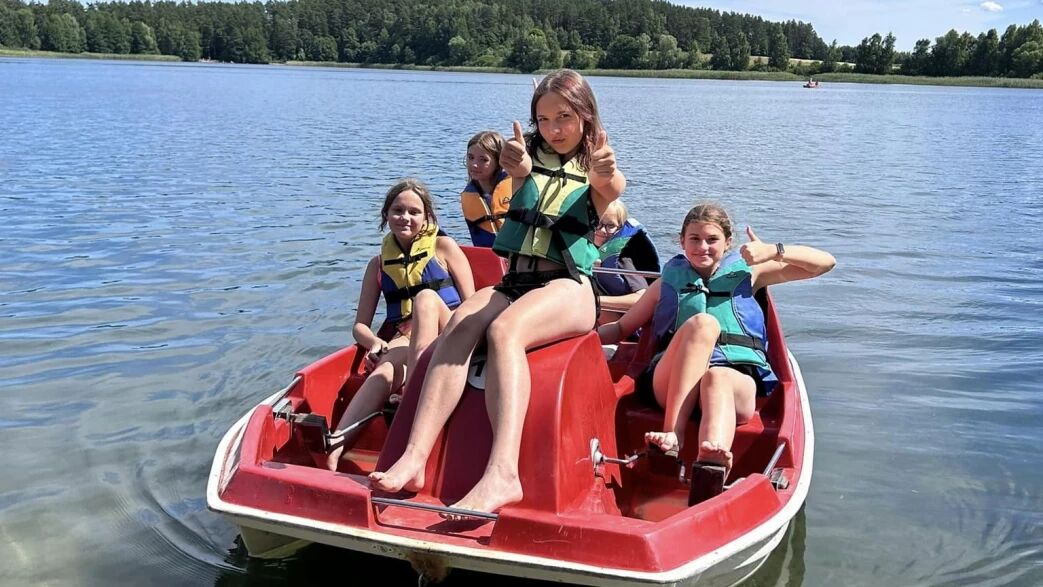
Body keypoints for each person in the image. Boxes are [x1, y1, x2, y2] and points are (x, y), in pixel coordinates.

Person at [370, 69, 626, 516]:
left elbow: (610, 186)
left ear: (586, 115)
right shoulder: (524, 159)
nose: (553, 129)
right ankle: (414, 456)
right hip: (516, 280)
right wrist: (520, 170)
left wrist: (606, 175)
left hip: (569, 285)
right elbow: (521, 176)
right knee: (459, 325)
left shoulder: (598, 166)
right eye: (543, 119)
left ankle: (504, 473)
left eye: (564, 117)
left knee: (505, 331)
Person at [597, 202, 835, 501]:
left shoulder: (751, 274)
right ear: (682, 242)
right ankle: (673, 435)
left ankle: (712, 462)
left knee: (717, 377)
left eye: (712, 239)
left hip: (731, 387)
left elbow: (825, 263)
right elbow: (621, 328)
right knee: (703, 325)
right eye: (694, 239)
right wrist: (583, 336)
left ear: (728, 242)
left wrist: (774, 251)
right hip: (670, 385)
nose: (702, 247)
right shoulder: (666, 282)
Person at [326, 179, 475, 471]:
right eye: (397, 210)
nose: (405, 217)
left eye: (414, 212)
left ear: (427, 217)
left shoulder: (444, 247)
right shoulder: (378, 264)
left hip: (449, 331)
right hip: (405, 338)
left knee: (426, 299)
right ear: (386, 214)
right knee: (383, 372)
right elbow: (360, 326)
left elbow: (471, 306)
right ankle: (334, 447)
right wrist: (374, 343)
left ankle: (412, 392)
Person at [592, 199, 659, 324]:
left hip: (623, 323)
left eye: (610, 226)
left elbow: (641, 298)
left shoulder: (623, 260)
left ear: (620, 229)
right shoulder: (586, 251)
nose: (602, 230)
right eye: (597, 223)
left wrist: (596, 300)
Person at [461, 131, 513, 247]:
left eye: (483, 160)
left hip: (517, 254)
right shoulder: (470, 194)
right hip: (486, 253)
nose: (474, 164)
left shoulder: (515, 187)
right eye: (470, 157)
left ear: (499, 161)